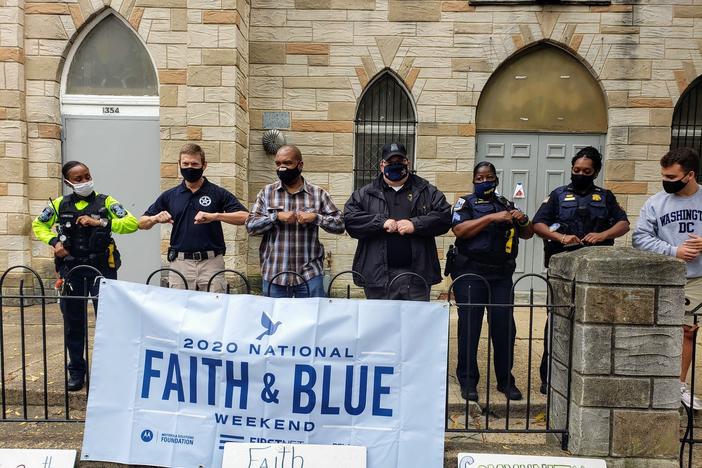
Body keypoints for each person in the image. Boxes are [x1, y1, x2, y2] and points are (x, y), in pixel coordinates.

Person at [32, 161, 138, 391]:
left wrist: (100, 221)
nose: (84, 181)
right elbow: (38, 225)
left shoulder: (106, 202)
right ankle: (76, 371)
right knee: (73, 323)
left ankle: (109, 372)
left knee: (108, 322)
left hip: (101, 269)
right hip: (71, 270)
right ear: (69, 182)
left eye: (87, 176)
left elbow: (130, 223)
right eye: (78, 179)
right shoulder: (60, 204)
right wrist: (53, 242)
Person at [533, 146, 629, 394]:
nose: (580, 174)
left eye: (586, 171)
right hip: (563, 270)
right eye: (576, 170)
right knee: (557, 322)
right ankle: (550, 377)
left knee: (597, 324)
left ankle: (591, 377)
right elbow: (538, 224)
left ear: (595, 171)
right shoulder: (557, 195)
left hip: (598, 272)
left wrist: (603, 234)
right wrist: (561, 237)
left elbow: (623, 224)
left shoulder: (605, 196)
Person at [448, 161, 534, 401]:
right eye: (479, 178)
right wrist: (491, 218)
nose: (484, 181)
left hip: (501, 275)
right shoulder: (465, 203)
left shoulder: (505, 203)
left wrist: (522, 218)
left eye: (488, 177)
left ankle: (505, 381)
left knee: (504, 328)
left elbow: (528, 234)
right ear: (474, 180)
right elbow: (460, 231)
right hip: (471, 273)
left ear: (496, 179)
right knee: (470, 328)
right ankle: (467, 380)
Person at [632, 147, 702, 410]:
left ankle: (678, 386)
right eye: (664, 175)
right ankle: (659, 381)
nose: (666, 181)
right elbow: (640, 238)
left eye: (672, 177)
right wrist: (674, 250)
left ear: (690, 175)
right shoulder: (656, 203)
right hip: (666, 276)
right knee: (660, 331)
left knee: (687, 332)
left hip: (697, 278)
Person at [344, 142, 451, 300]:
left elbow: (445, 217)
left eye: (399, 162)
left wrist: (415, 224)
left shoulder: (426, 191)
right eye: (390, 162)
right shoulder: (365, 193)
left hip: (416, 277)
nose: (395, 165)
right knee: (380, 324)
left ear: (407, 163)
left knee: (415, 324)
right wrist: (380, 222)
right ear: (382, 165)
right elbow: (349, 220)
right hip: (378, 279)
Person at [139, 143, 248, 292]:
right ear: (179, 164)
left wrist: (216, 216)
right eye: (185, 164)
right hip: (180, 263)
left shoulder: (217, 193)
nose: (190, 167)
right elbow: (141, 223)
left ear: (204, 165)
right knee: (179, 311)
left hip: (211, 262)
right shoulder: (170, 195)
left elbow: (245, 217)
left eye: (195, 164)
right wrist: (155, 218)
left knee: (214, 310)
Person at [246, 144, 344, 297]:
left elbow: (340, 224)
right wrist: (276, 217)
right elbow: (251, 226)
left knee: (312, 319)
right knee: (276, 321)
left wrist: (316, 218)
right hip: (274, 274)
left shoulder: (318, 194)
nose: (282, 168)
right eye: (278, 164)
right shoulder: (267, 193)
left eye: (288, 163)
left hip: (309, 275)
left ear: (300, 165)